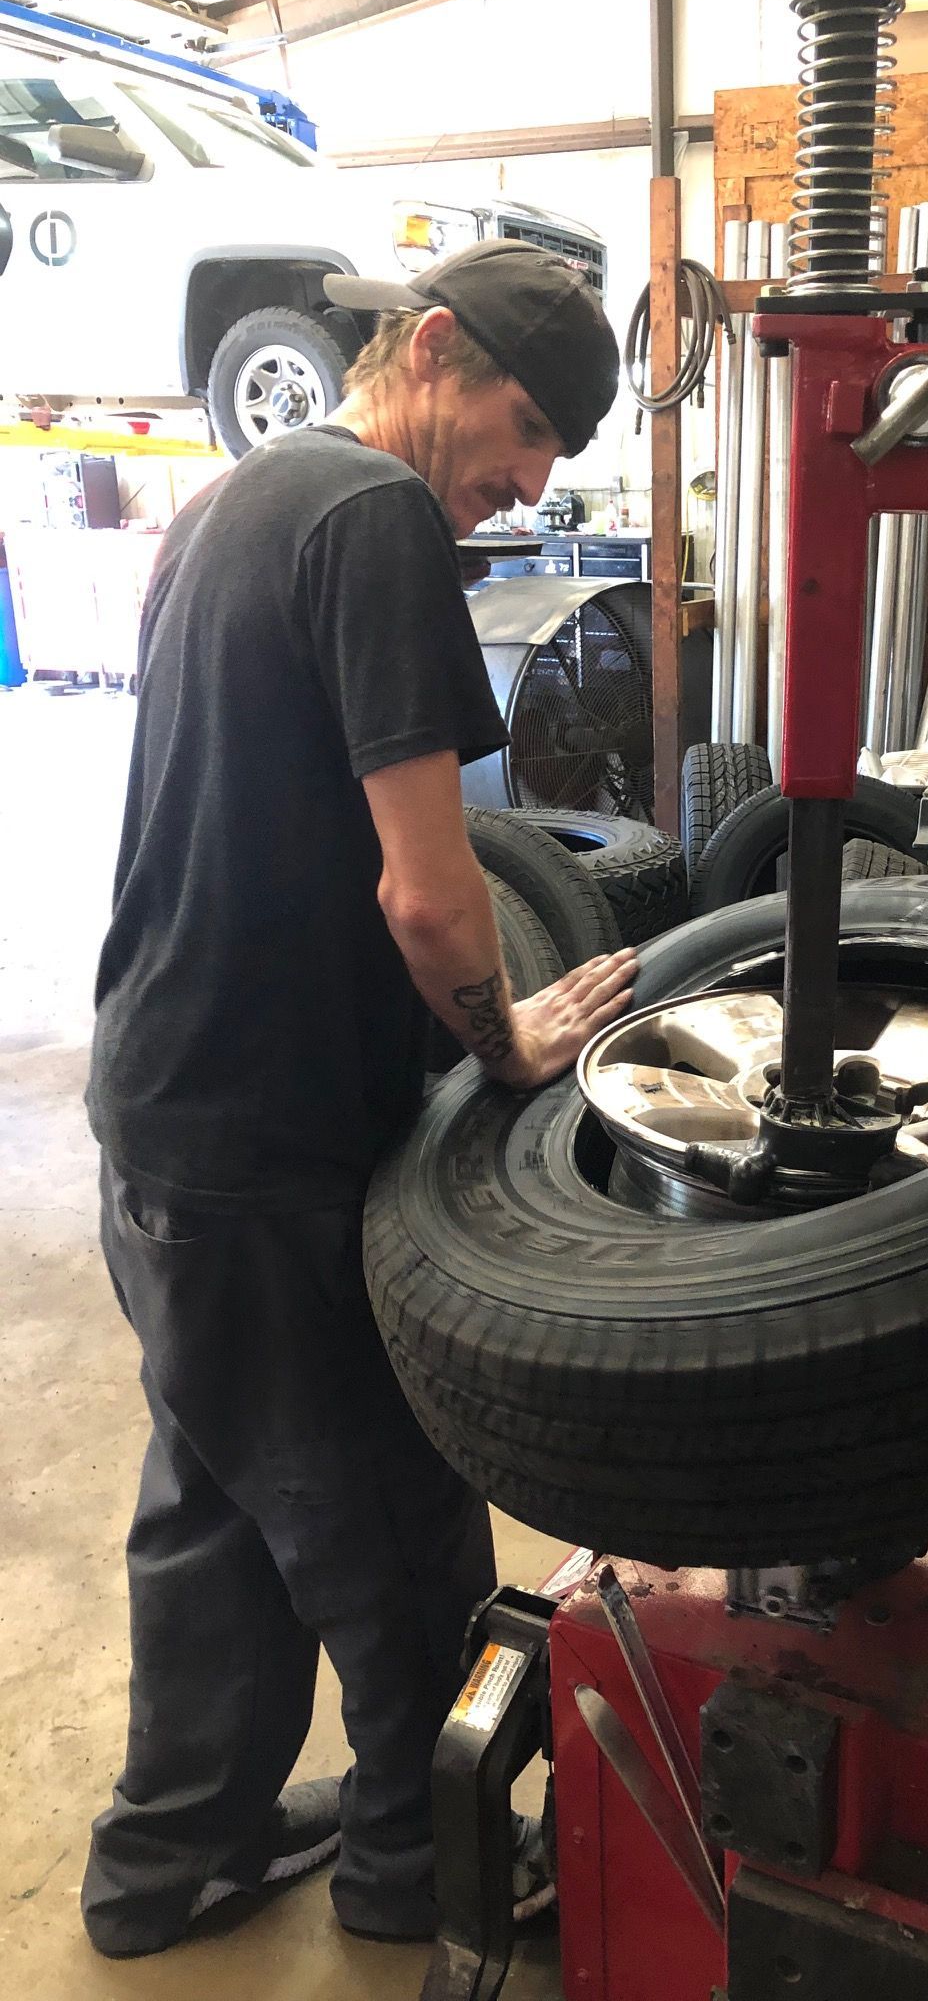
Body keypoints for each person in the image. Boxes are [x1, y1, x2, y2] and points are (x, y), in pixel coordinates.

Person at [81, 239, 635, 1958]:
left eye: (561, 458)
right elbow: (428, 888)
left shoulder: (252, 491)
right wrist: (508, 1040)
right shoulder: (377, 523)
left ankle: (174, 1857)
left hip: (160, 1117)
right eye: (527, 424)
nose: (528, 480)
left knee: (223, 1522)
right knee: (395, 1524)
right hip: (264, 1148)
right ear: (439, 350)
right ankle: (425, 1871)